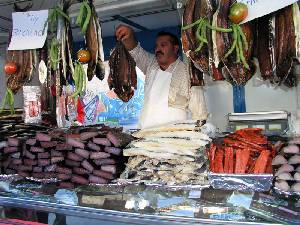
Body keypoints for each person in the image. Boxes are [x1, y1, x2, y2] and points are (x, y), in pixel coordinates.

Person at [115, 25, 207, 129]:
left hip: (175, 139)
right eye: (156, 46)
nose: (158, 49)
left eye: (163, 45)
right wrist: (129, 35)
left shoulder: (189, 72)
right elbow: (135, 51)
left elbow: (199, 115)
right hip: (146, 135)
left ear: (175, 48)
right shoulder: (151, 64)